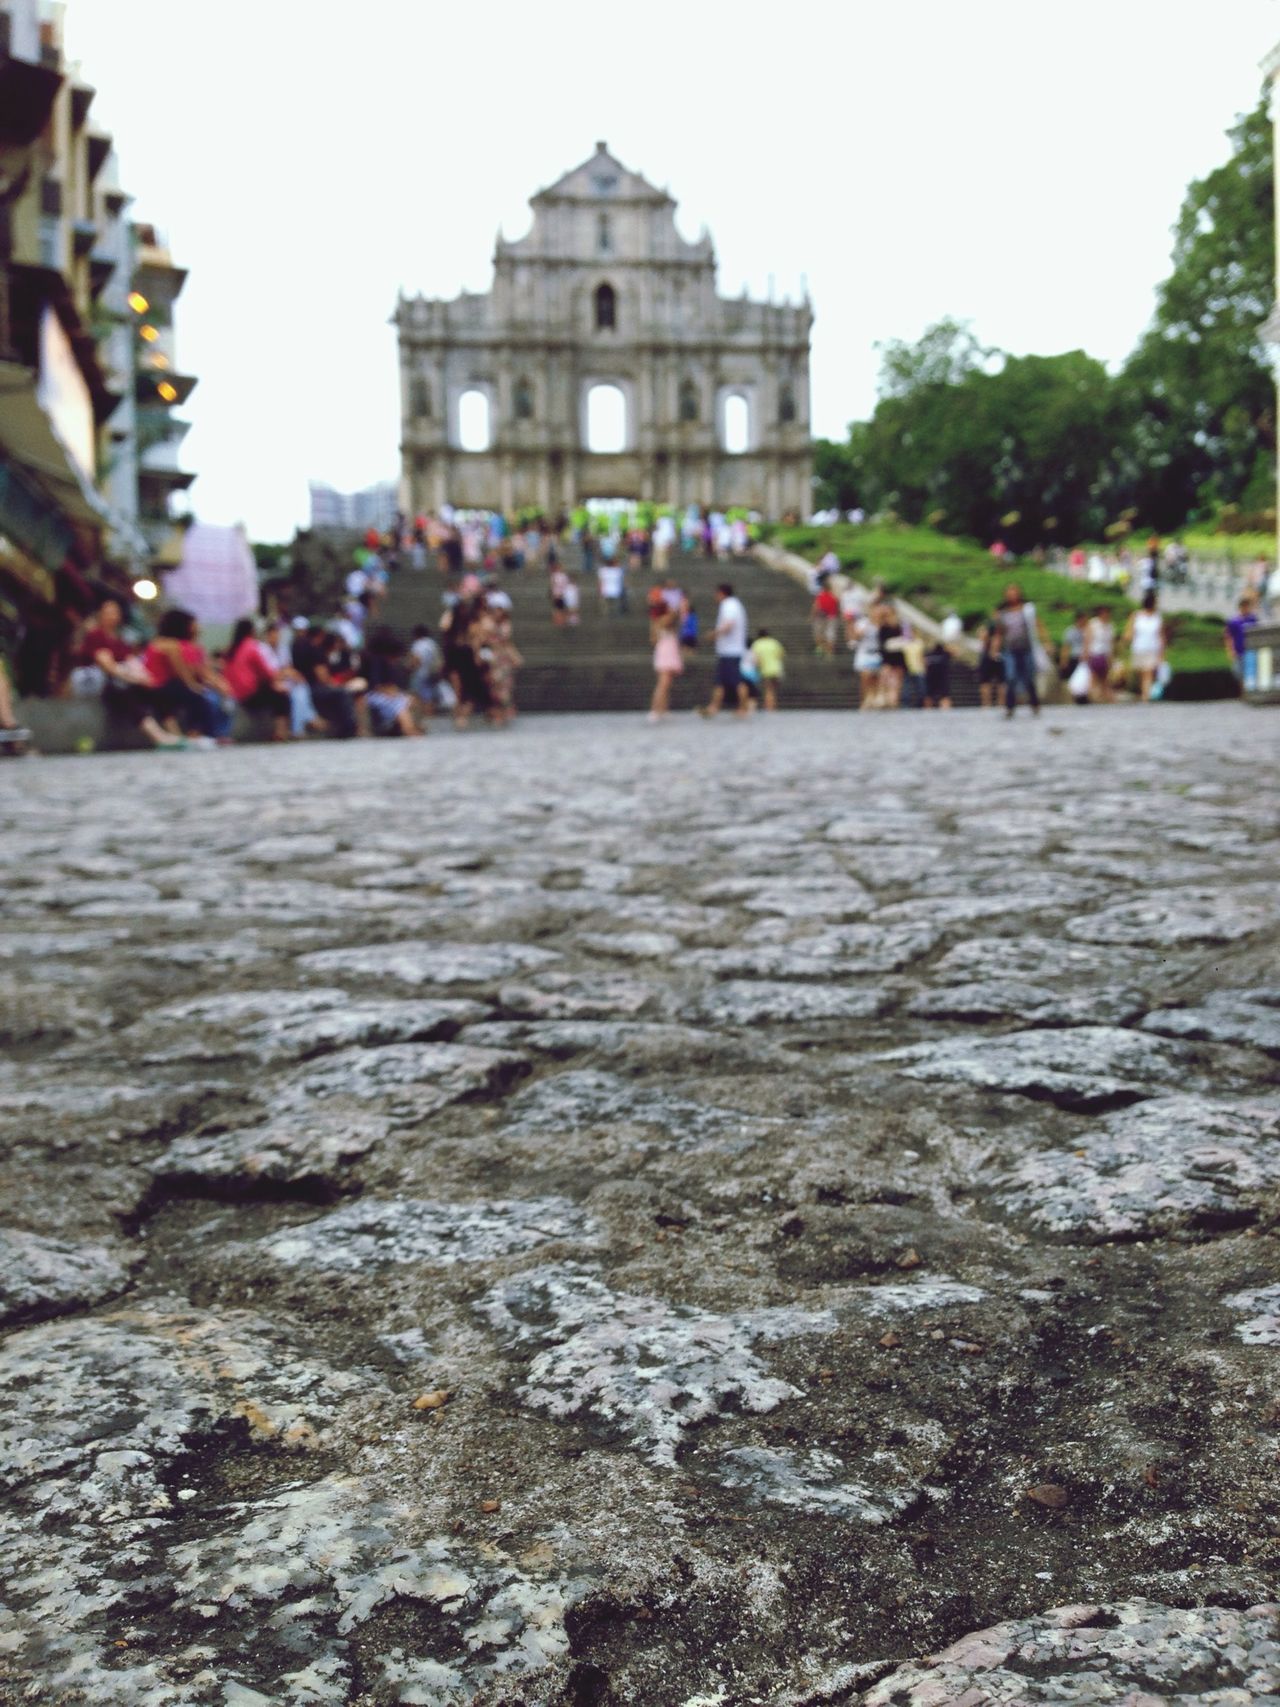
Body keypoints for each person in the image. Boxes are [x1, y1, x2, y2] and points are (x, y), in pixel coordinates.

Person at [73, 597, 183, 748]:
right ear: (100, 615)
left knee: (156, 691)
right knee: (125, 694)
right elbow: (108, 667)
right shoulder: (96, 635)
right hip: (101, 685)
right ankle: (158, 736)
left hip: (123, 681)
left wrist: (146, 678)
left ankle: (176, 734)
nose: (113, 616)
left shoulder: (119, 639)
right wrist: (136, 679)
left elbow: (132, 661)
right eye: (108, 613)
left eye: (115, 612)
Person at [141, 608, 233, 742]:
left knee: (201, 697)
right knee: (198, 697)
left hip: (158, 686)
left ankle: (203, 733)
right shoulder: (174, 645)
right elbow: (182, 670)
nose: (199, 627)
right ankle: (202, 733)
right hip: (160, 686)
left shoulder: (159, 643)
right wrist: (193, 686)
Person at [223, 619, 293, 741]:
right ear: (252, 631)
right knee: (282, 695)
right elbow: (266, 673)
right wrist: (278, 681)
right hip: (249, 693)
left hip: (234, 692)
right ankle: (281, 732)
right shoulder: (252, 646)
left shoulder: (232, 648)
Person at [996, 583, 1048, 717]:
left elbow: (1037, 624)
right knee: (1010, 676)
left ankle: (1034, 704)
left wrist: (1046, 641)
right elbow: (1000, 632)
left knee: (1029, 677)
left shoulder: (1027, 609)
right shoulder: (1003, 612)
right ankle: (1010, 706)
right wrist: (995, 648)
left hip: (1026, 648)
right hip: (1010, 649)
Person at [700, 582, 750, 717]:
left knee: (737, 681)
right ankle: (713, 707)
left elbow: (729, 624)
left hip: (731, 650)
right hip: (728, 650)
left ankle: (743, 708)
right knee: (720, 681)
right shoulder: (734, 604)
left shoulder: (729, 605)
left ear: (721, 593)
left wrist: (713, 634)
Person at [1123, 592, 1166, 702]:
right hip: (1138, 648)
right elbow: (1129, 632)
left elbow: (1161, 636)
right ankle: (1144, 693)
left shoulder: (1157, 617)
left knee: (1148, 673)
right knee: (1141, 673)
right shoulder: (1137, 616)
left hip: (1152, 649)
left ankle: (1145, 696)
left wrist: (1161, 653)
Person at [649, 598, 683, 723]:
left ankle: (663, 709)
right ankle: (655, 709)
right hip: (666, 652)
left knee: (667, 683)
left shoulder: (658, 622)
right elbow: (675, 615)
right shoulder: (661, 620)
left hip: (667, 651)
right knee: (662, 684)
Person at [1224, 594, 1259, 690]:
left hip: (1250, 651)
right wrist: (1230, 650)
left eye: (1248, 606)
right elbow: (1228, 636)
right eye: (1244, 606)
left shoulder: (1253, 619)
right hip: (1238, 650)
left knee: (1250, 672)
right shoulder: (1234, 621)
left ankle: (1249, 691)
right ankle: (1242, 691)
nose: (1246, 608)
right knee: (1238, 672)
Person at [1084, 606, 1117, 703]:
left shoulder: (1110, 626)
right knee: (1093, 677)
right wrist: (1086, 653)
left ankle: (1106, 697)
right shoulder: (1093, 624)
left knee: (1105, 679)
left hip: (1105, 654)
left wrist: (1111, 657)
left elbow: (1111, 643)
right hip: (1095, 653)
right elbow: (1087, 639)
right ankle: (1091, 697)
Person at [751, 629, 785, 711]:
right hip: (776, 669)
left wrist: (756, 667)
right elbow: (781, 654)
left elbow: (756, 659)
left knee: (768, 690)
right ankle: (773, 705)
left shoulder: (757, 644)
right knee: (773, 689)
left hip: (765, 669)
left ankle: (769, 707)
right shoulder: (774, 642)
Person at [923, 637, 952, 709]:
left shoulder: (944, 654)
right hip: (933, 680)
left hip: (939, 680)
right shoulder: (944, 654)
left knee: (943, 698)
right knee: (929, 698)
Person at [811, 582, 840, 655]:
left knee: (819, 632)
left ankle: (820, 648)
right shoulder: (834, 596)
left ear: (823, 588)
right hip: (832, 617)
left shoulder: (820, 596)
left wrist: (812, 616)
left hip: (821, 617)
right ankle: (830, 651)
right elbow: (838, 606)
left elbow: (816, 606)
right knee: (831, 633)